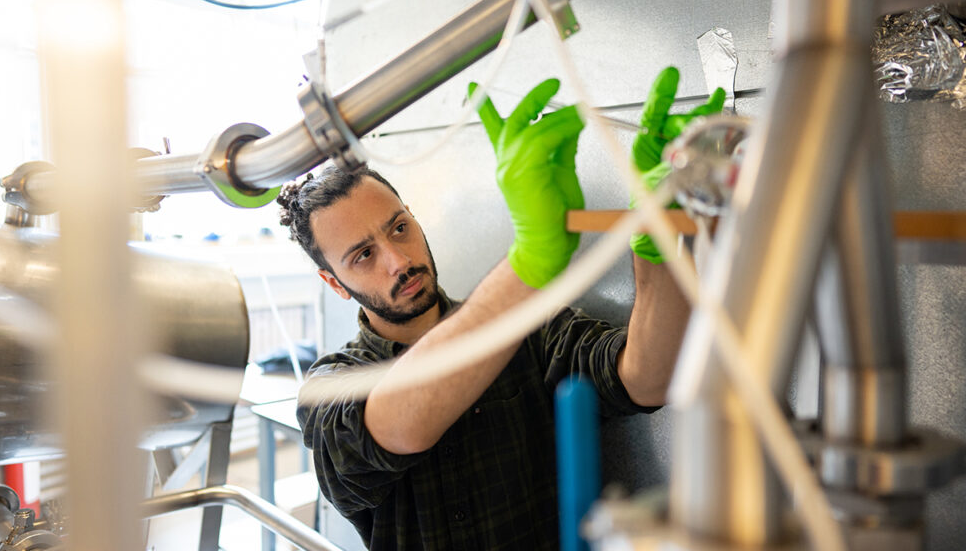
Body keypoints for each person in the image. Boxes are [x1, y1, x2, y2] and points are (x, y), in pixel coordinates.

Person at [280, 68, 724, 550]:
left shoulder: (528, 330)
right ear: (334, 283)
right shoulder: (330, 386)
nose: (398, 260)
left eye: (399, 227)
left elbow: (650, 377)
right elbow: (400, 424)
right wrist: (529, 264)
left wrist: (656, 247)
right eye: (363, 255)